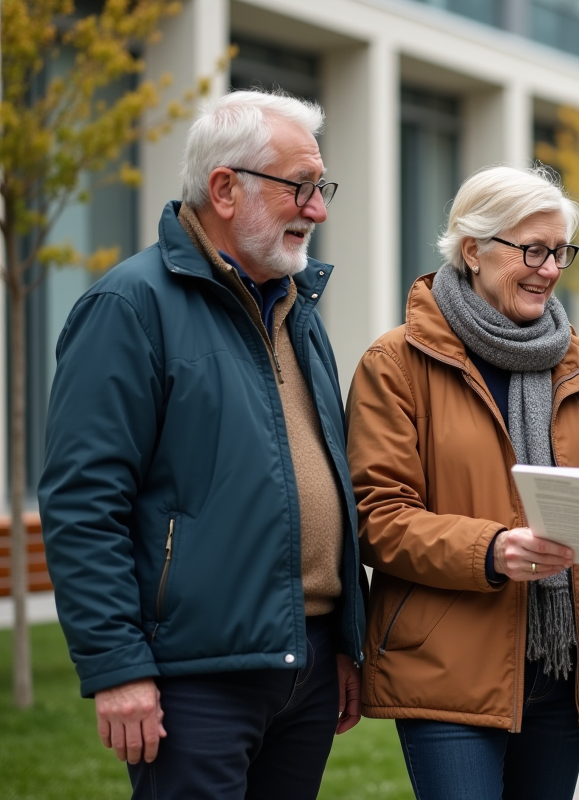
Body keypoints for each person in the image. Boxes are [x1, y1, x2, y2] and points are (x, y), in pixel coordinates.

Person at [38, 90, 366, 799]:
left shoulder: (295, 307)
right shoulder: (129, 307)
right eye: (302, 187)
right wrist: (117, 667)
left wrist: (342, 640)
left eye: (322, 187)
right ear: (224, 188)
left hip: (304, 660)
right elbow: (81, 504)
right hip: (195, 675)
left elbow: (323, 473)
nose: (319, 210)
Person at [346, 164, 579, 799]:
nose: (550, 268)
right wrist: (494, 550)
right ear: (473, 250)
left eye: (561, 252)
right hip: (447, 668)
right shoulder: (395, 364)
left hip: (561, 674)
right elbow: (376, 518)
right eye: (532, 250)